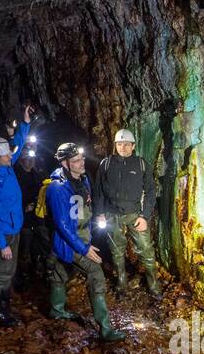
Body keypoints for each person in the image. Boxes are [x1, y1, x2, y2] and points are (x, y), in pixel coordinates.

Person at [44, 142, 126, 342]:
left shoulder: (83, 180)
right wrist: (83, 248)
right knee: (96, 274)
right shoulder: (57, 188)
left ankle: (57, 309)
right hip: (69, 241)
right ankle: (105, 329)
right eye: (75, 161)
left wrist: (92, 227)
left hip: (80, 237)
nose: (81, 163)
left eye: (81, 158)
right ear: (64, 163)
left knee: (60, 272)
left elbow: (84, 209)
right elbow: (63, 225)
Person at [0, 105, 35, 327]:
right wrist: (2, 245)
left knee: (8, 271)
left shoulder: (6, 167)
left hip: (14, 228)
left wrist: (25, 123)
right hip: (3, 233)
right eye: (6, 154)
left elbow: (17, 145)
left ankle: (3, 306)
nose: (11, 155)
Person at [93, 128, 161, 297]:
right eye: (120, 144)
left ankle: (153, 285)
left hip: (135, 214)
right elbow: (98, 191)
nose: (123, 147)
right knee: (117, 251)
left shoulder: (141, 164)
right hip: (111, 214)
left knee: (146, 249)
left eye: (126, 144)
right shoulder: (106, 164)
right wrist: (100, 213)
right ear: (115, 145)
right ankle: (122, 284)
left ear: (133, 146)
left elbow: (150, 191)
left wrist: (145, 216)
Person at [15, 147, 46, 291]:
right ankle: (23, 280)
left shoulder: (37, 175)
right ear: (22, 159)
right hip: (24, 220)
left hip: (38, 219)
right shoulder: (15, 176)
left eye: (32, 158)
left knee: (39, 248)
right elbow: (11, 200)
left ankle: (38, 277)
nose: (30, 161)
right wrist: (23, 208)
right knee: (24, 251)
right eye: (27, 158)